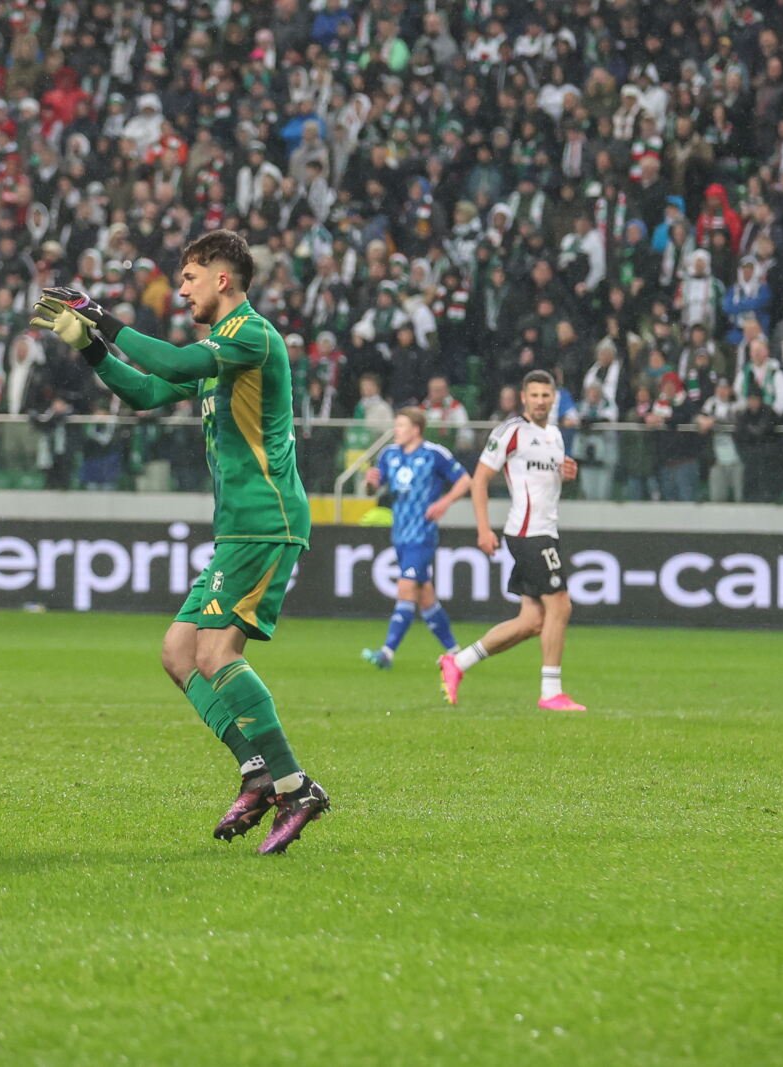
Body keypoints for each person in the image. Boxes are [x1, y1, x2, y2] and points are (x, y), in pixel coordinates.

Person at [30, 229, 328, 856]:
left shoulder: (252, 335)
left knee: (217, 654)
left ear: (223, 278)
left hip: (266, 517)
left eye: (189, 277)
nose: (181, 289)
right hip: (239, 525)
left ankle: (296, 787)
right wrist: (91, 350)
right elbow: (148, 391)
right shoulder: (222, 351)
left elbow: (168, 363)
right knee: (178, 652)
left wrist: (101, 319)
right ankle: (256, 770)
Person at [439, 370, 585, 712]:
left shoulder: (555, 436)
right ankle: (551, 692)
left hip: (546, 530)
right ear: (523, 398)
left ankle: (457, 663)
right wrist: (483, 529)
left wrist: (568, 474)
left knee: (533, 621)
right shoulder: (511, 431)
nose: (539, 401)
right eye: (533, 395)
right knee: (560, 604)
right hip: (527, 532)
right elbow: (480, 480)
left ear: (554, 398)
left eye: (545, 395)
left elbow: (546, 482)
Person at [360, 408, 472, 669]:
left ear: (416, 429)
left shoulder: (434, 454)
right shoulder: (390, 455)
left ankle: (387, 653)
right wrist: (370, 483)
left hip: (423, 535)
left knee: (406, 589)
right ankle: (456, 655)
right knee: (426, 598)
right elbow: (373, 490)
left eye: (401, 425)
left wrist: (444, 503)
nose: (396, 430)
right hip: (400, 535)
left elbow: (465, 480)